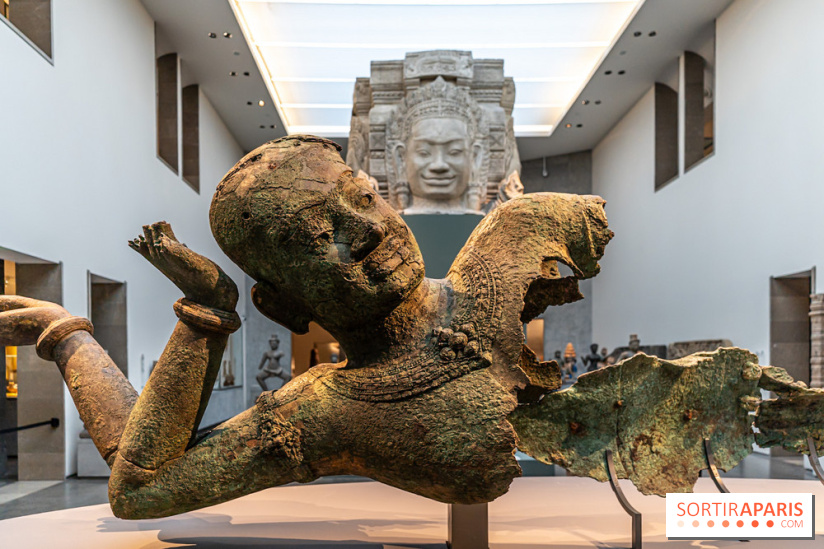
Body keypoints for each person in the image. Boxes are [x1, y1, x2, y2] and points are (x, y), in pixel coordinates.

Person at [0, 135, 612, 519]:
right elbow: (140, 485)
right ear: (283, 307)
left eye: (363, 198)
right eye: (320, 237)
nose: (368, 230)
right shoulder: (326, 413)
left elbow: (138, 475)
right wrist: (203, 316)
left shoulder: (520, 234)